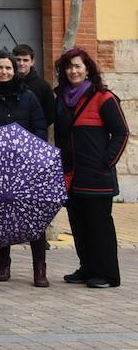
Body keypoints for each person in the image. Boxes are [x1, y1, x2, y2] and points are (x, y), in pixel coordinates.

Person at [55, 47, 129, 289]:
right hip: (71, 176)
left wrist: (105, 162)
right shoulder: (63, 100)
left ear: (88, 69)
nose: (73, 70)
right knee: (79, 225)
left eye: (77, 66)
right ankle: (87, 268)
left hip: (97, 176)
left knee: (100, 228)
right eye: (69, 66)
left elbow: (121, 132)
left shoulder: (103, 98)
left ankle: (107, 274)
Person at [0, 49, 49, 285]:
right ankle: (3, 264)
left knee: (34, 215)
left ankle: (39, 268)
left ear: (14, 70)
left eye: (8, 68)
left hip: (27, 165)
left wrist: (33, 155)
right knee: (3, 216)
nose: (4, 72)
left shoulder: (27, 96)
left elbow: (39, 127)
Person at [13, 44, 56, 130]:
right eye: (18, 60)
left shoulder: (43, 86)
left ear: (32, 62)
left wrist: (37, 128)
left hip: (34, 135)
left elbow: (50, 113)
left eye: (25, 60)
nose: (21, 63)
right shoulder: (6, 84)